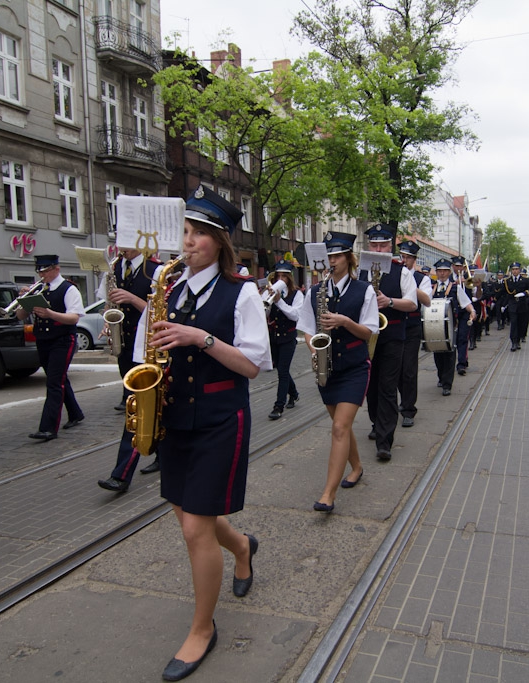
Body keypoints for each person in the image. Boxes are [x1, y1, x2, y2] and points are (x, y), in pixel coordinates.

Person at [144, 187, 270, 681]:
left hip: (220, 420)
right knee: (187, 514)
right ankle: (240, 546)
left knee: (196, 526)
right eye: (186, 232)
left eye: (197, 234)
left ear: (218, 242)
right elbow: (150, 354)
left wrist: (201, 337)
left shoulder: (243, 293)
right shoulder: (169, 291)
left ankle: (202, 629)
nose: (187, 242)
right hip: (176, 419)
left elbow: (254, 365)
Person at [297, 231, 379, 510]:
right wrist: (315, 350)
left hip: (355, 367)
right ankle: (356, 467)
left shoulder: (364, 290)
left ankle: (328, 494)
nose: (332, 260)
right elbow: (308, 329)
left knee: (340, 427)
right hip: (327, 368)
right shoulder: (314, 292)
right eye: (329, 256)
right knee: (340, 427)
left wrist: (345, 321)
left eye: (337, 255)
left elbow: (369, 333)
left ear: (349, 259)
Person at [360, 224, 417, 461]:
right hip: (366, 337)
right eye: (374, 245)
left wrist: (390, 302)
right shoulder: (360, 271)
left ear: (391, 245)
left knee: (387, 387)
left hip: (393, 337)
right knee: (370, 387)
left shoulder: (401, 271)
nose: (378, 249)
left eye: (383, 245)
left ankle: (385, 441)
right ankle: (376, 422)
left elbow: (413, 304)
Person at [16, 254, 86, 441]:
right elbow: (20, 316)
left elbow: (74, 317)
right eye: (39, 270)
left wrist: (50, 314)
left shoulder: (68, 289)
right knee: (58, 378)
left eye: (46, 270)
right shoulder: (37, 289)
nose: (42, 274)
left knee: (54, 382)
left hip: (62, 340)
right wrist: (24, 298)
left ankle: (48, 427)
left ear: (57, 268)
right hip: (43, 339)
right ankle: (75, 413)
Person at [101, 246, 161, 412]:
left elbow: (158, 312)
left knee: (141, 379)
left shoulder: (156, 270)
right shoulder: (114, 267)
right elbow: (108, 301)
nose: (122, 248)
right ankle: (129, 401)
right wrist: (107, 321)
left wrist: (132, 299)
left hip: (144, 335)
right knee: (125, 370)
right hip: (122, 332)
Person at [397, 240, 432, 429]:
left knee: (409, 370)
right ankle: (399, 403)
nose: (404, 260)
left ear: (414, 259)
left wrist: (411, 285)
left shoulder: (421, 278)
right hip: (393, 326)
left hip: (411, 327)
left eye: (408, 257)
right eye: (402, 256)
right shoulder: (393, 273)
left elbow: (427, 300)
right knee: (395, 369)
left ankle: (409, 409)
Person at [430, 259, 474, 395]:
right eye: (439, 271)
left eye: (444, 271)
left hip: (450, 326)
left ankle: (447, 384)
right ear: (436, 273)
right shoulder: (431, 288)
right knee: (437, 354)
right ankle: (441, 376)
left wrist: (472, 311)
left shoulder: (456, 288)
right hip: (435, 327)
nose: (442, 274)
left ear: (449, 272)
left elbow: (466, 302)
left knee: (449, 354)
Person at [267, 260, 304, 420]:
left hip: (288, 338)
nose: (281, 279)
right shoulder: (271, 291)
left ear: (289, 278)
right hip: (273, 337)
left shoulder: (297, 294)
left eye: (284, 276)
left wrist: (278, 301)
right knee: (281, 369)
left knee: (282, 371)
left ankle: (278, 406)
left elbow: (295, 315)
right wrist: (267, 301)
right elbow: (265, 313)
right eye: (278, 276)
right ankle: (294, 393)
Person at [504, 262, 529, 351]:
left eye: (516, 269)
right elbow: (504, 293)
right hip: (512, 305)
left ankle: (518, 340)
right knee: (513, 323)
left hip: (522, 305)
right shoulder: (507, 281)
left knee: (521, 324)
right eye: (513, 269)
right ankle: (514, 342)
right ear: (511, 271)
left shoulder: (525, 280)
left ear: (519, 270)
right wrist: (503, 305)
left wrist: (525, 293)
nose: (515, 271)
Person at [451, 256, 472, 372]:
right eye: (456, 266)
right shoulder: (448, 278)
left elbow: (475, 295)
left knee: (463, 338)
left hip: (464, 312)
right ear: (453, 266)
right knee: (452, 339)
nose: (459, 269)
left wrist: (476, 285)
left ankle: (461, 364)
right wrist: (455, 283)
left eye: (461, 266)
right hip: (452, 311)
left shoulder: (468, 279)